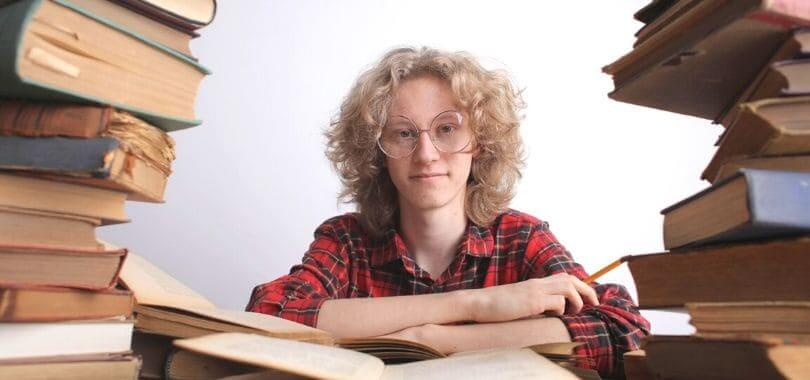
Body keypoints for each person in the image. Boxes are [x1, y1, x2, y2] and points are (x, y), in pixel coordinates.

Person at [247, 47, 650, 377]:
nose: (425, 154)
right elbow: (272, 312)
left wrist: (432, 339)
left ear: (481, 142)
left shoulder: (521, 237)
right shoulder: (347, 241)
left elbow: (622, 326)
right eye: (403, 133)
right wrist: (476, 305)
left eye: (447, 129)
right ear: (377, 151)